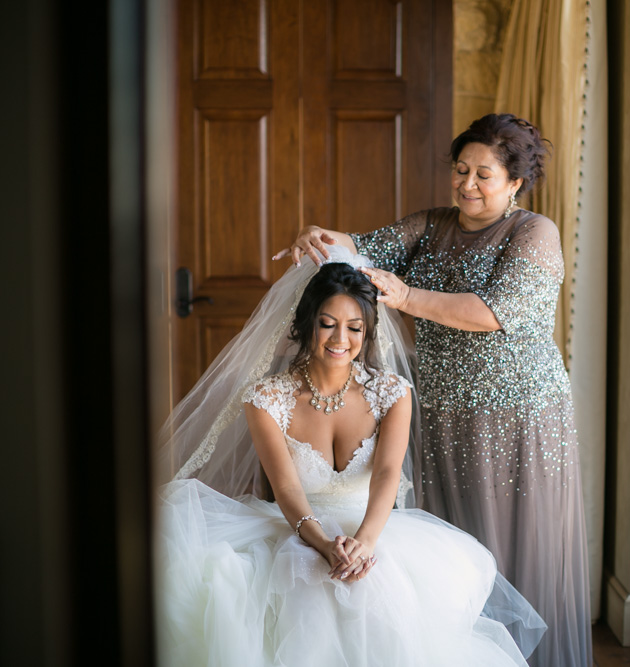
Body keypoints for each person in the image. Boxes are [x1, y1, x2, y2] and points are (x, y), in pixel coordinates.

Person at [275, 113, 592, 667]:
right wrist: (318, 235)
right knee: (453, 547)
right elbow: (362, 247)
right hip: (442, 410)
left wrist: (404, 296)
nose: (467, 184)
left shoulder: (534, 233)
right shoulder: (433, 223)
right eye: (461, 169)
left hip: (517, 417)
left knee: (517, 547)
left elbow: (491, 313)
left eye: (484, 174)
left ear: (515, 182)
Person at [156, 251, 545, 666]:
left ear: (368, 331)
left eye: (354, 327)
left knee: (380, 595)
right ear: (307, 323)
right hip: (298, 526)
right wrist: (323, 544)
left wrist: (364, 544)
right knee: (297, 589)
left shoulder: (391, 393)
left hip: (374, 528)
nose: (341, 339)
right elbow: (285, 486)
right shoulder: (267, 399)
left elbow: (387, 473)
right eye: (328, 324)